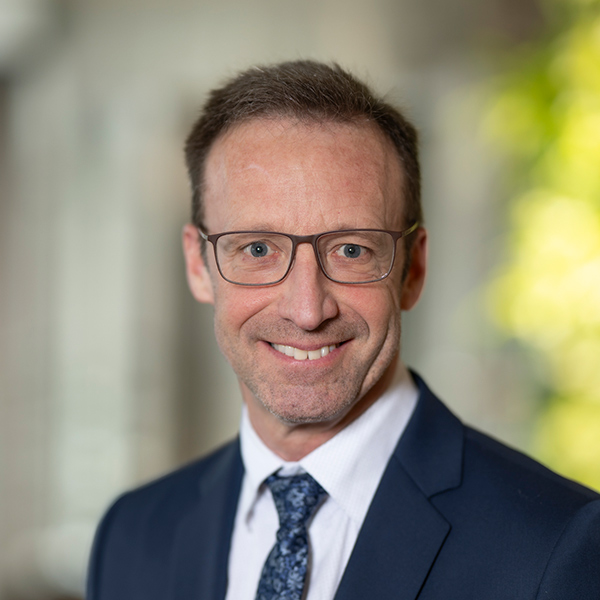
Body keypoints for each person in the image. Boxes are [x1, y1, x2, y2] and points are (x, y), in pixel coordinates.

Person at [86, 60, 600, 600]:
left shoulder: (558, 548)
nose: (307, 311)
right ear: (198, 264)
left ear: (413, 269)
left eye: (351, 250)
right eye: (258, 249)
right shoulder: (132, 536)